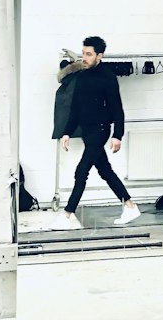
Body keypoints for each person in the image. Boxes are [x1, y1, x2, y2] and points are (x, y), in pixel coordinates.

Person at [56, 35, 140, 227]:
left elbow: (117, 108)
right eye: (83, 53)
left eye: (89, 54)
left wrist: (117, 135)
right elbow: (75, 108)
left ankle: (68, 215)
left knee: (81, 171)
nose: (84, 58)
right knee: (105, 171)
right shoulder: (82, 76)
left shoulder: (107, 78)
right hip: (87, 131)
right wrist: (66, 132)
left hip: (100, 130)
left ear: (99, 56)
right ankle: (129, 205)